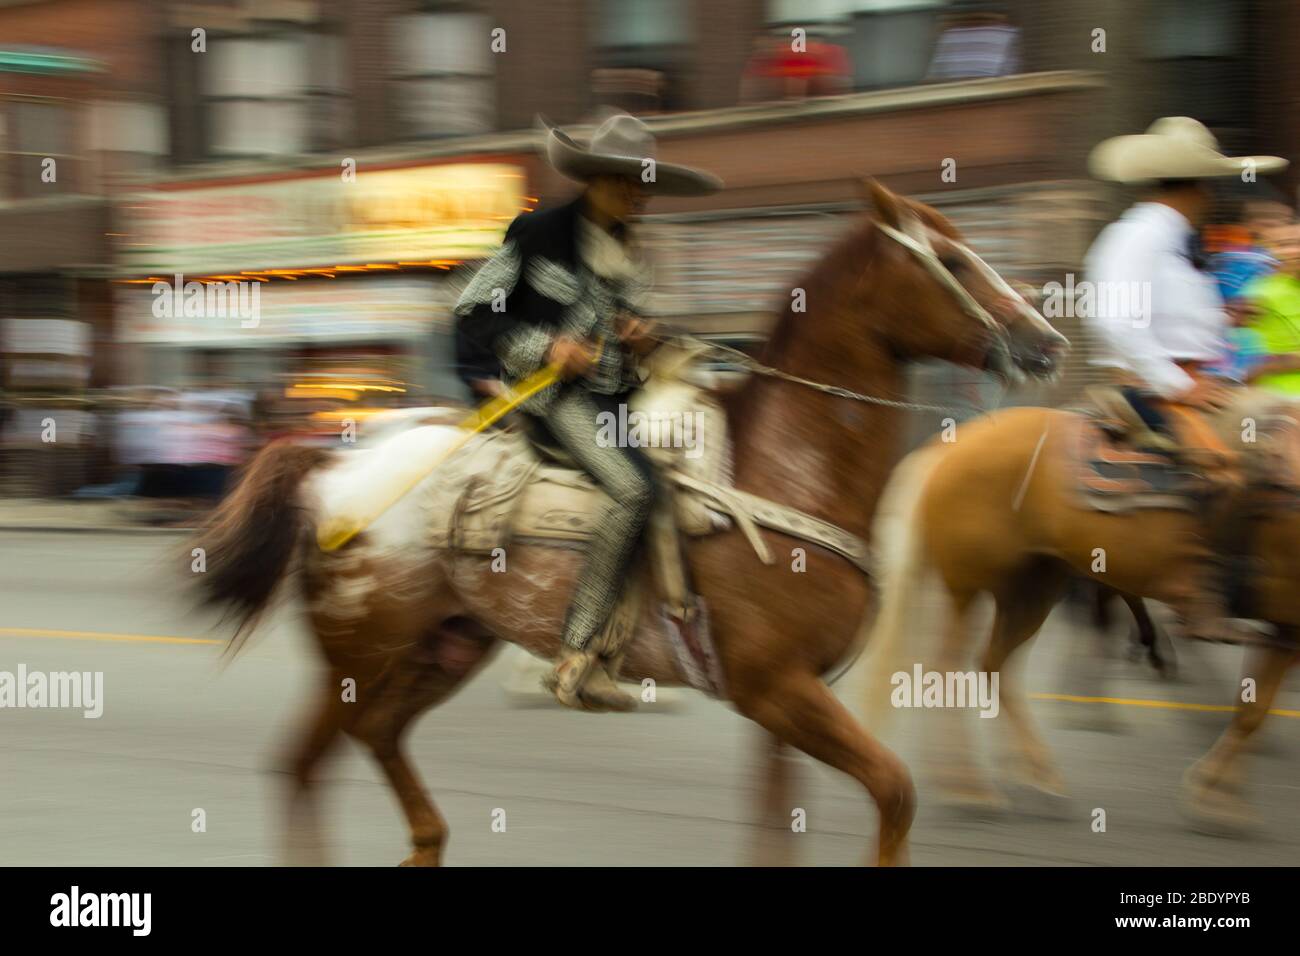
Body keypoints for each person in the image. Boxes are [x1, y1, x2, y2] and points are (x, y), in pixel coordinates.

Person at [454, 112, 721, 710]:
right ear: (595, 178)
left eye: (644, 185)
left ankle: (617, 653)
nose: (639, 196)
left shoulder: (632, 252)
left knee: (680, 474)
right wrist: (547, 347)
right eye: (628, 182)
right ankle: (574, 654)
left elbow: (640, 340)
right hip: (552, 397)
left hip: (618, 401)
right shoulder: (537, 232)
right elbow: (475, 309)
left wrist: (645, 341)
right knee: (633, 491)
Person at [1084, 116, 1288, 642]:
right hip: (1154, 388)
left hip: (1191, 384)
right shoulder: (1138, 237)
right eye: (1210, 186)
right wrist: (1178, 384)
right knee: (1250, 454)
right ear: (1196, 187)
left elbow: (1172, 318)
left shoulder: (1169, 241)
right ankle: (1204, 592)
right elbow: (1112, 318)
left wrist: (1224, 319)